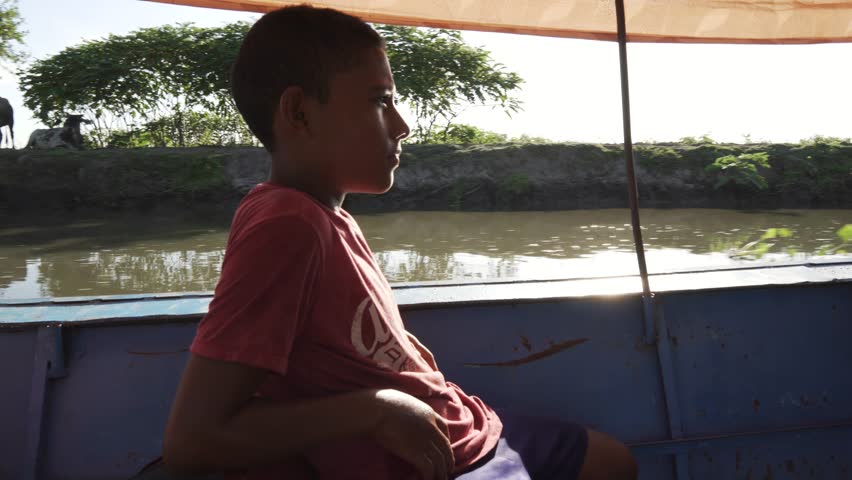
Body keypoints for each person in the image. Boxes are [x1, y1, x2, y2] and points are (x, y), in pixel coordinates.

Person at [163, 6, 637, 480]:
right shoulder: (287, 224)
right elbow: (196, 439)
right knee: (610, 463)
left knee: (608, 458)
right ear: (299, 112)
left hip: (457, 427)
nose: (402, 125)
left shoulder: (323, 216)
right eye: (379, 102)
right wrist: (375, 408)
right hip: (429, 457)